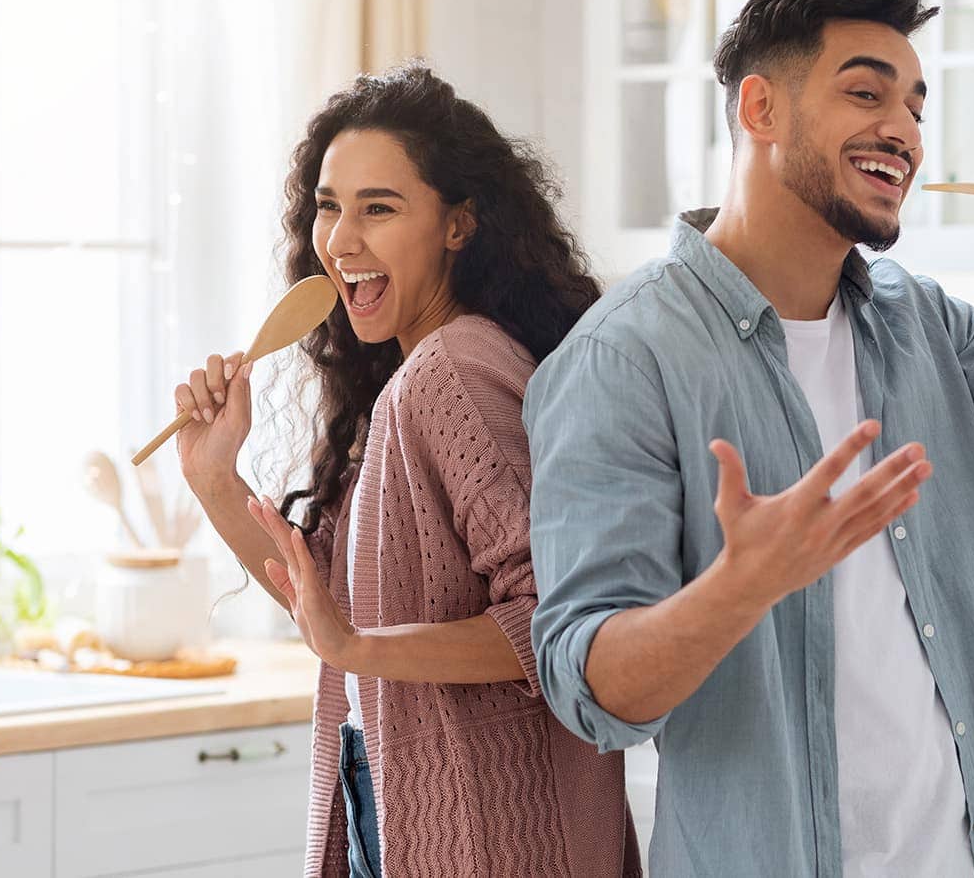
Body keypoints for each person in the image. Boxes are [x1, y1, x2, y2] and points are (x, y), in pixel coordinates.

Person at [525, 0, 974, 877]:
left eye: (917, 107)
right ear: (760, 109)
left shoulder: (921, 324)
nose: (905, 132)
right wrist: (740, 585)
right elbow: (590, 689)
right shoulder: (622, 358)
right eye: (865, 92)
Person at [173, 63, 641, 878]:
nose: (341, 240)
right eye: (329, 206)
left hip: (483, 831)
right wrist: (217, 476)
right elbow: (334, 609)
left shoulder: (450, 372)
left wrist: (359, 646)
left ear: (458, 225)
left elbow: (554, 626)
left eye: (378, 208)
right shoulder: (413, 374)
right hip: (392, 793)